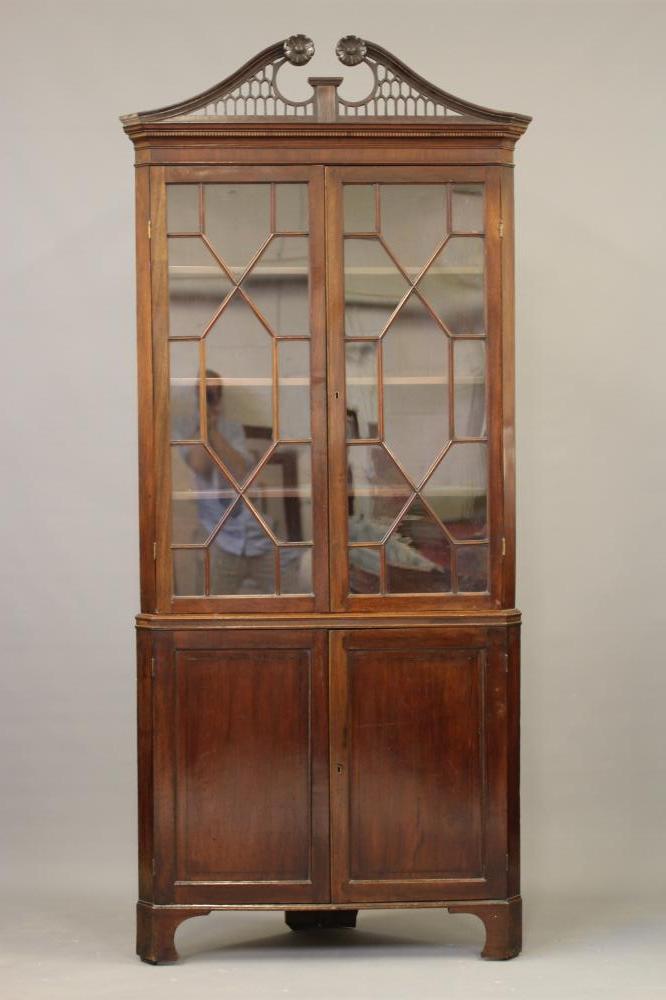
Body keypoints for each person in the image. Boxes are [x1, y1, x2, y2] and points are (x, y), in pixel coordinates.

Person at [182, 371, 276, 594]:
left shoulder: (233, 429)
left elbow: (240, 470)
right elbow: (199, 466)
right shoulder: (186, 428)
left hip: (247, 526)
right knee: (210, 602)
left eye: (214, 392)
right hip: (215, 528)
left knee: (286, 593)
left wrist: (214, 430)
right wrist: (205, 427)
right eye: (205, 392)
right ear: (196, 395)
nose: (210, 397)